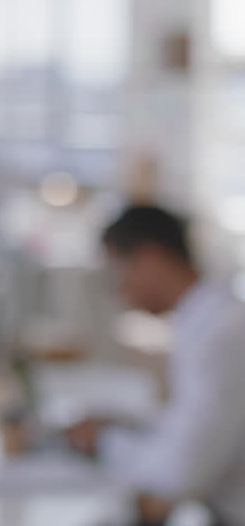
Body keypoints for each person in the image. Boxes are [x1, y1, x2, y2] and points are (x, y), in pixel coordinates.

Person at [65, 205, 245, 526]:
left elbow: (180, 471)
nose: (119, 290)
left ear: (150, 258)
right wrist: (128, 428)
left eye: (117, 272)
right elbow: (190, 428)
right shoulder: (203, 322)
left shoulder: (222, 332)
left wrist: (103, 442)